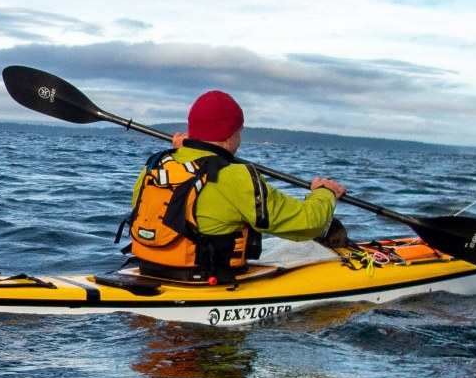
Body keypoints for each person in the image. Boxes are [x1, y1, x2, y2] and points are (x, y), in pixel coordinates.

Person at [122, 90, 349, 282]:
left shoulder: (154, 166)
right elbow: (308, 224)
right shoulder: (236, 177)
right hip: (208, 286)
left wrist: (184, 149)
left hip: (150, 273)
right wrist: (325, 194)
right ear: (231, 135)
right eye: (239, 132)